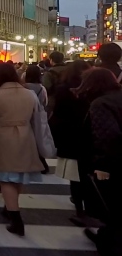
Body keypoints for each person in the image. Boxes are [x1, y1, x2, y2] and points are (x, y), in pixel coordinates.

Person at [0, 63, 48, 237]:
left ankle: (15, 218)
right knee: (17, 175)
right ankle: (10, 207)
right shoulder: (29, 94)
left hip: (2, 136)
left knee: (5, 178)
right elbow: (37, 117)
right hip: (25, 135)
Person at [75, 68, 122, 253]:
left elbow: (107, 136)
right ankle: (107, 236)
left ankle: (109, 241)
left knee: (112, 205)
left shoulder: (100, 104)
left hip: (113, 163)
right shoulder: (116, 97)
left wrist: (102, 164)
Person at [49, 60, 91, 226]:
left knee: (75, 173)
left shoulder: (63, 89)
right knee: (88, 171)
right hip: (89, 134)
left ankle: (79, 208)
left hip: (69, 135)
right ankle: (89, 206)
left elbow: (58, 112)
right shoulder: (92, 88)